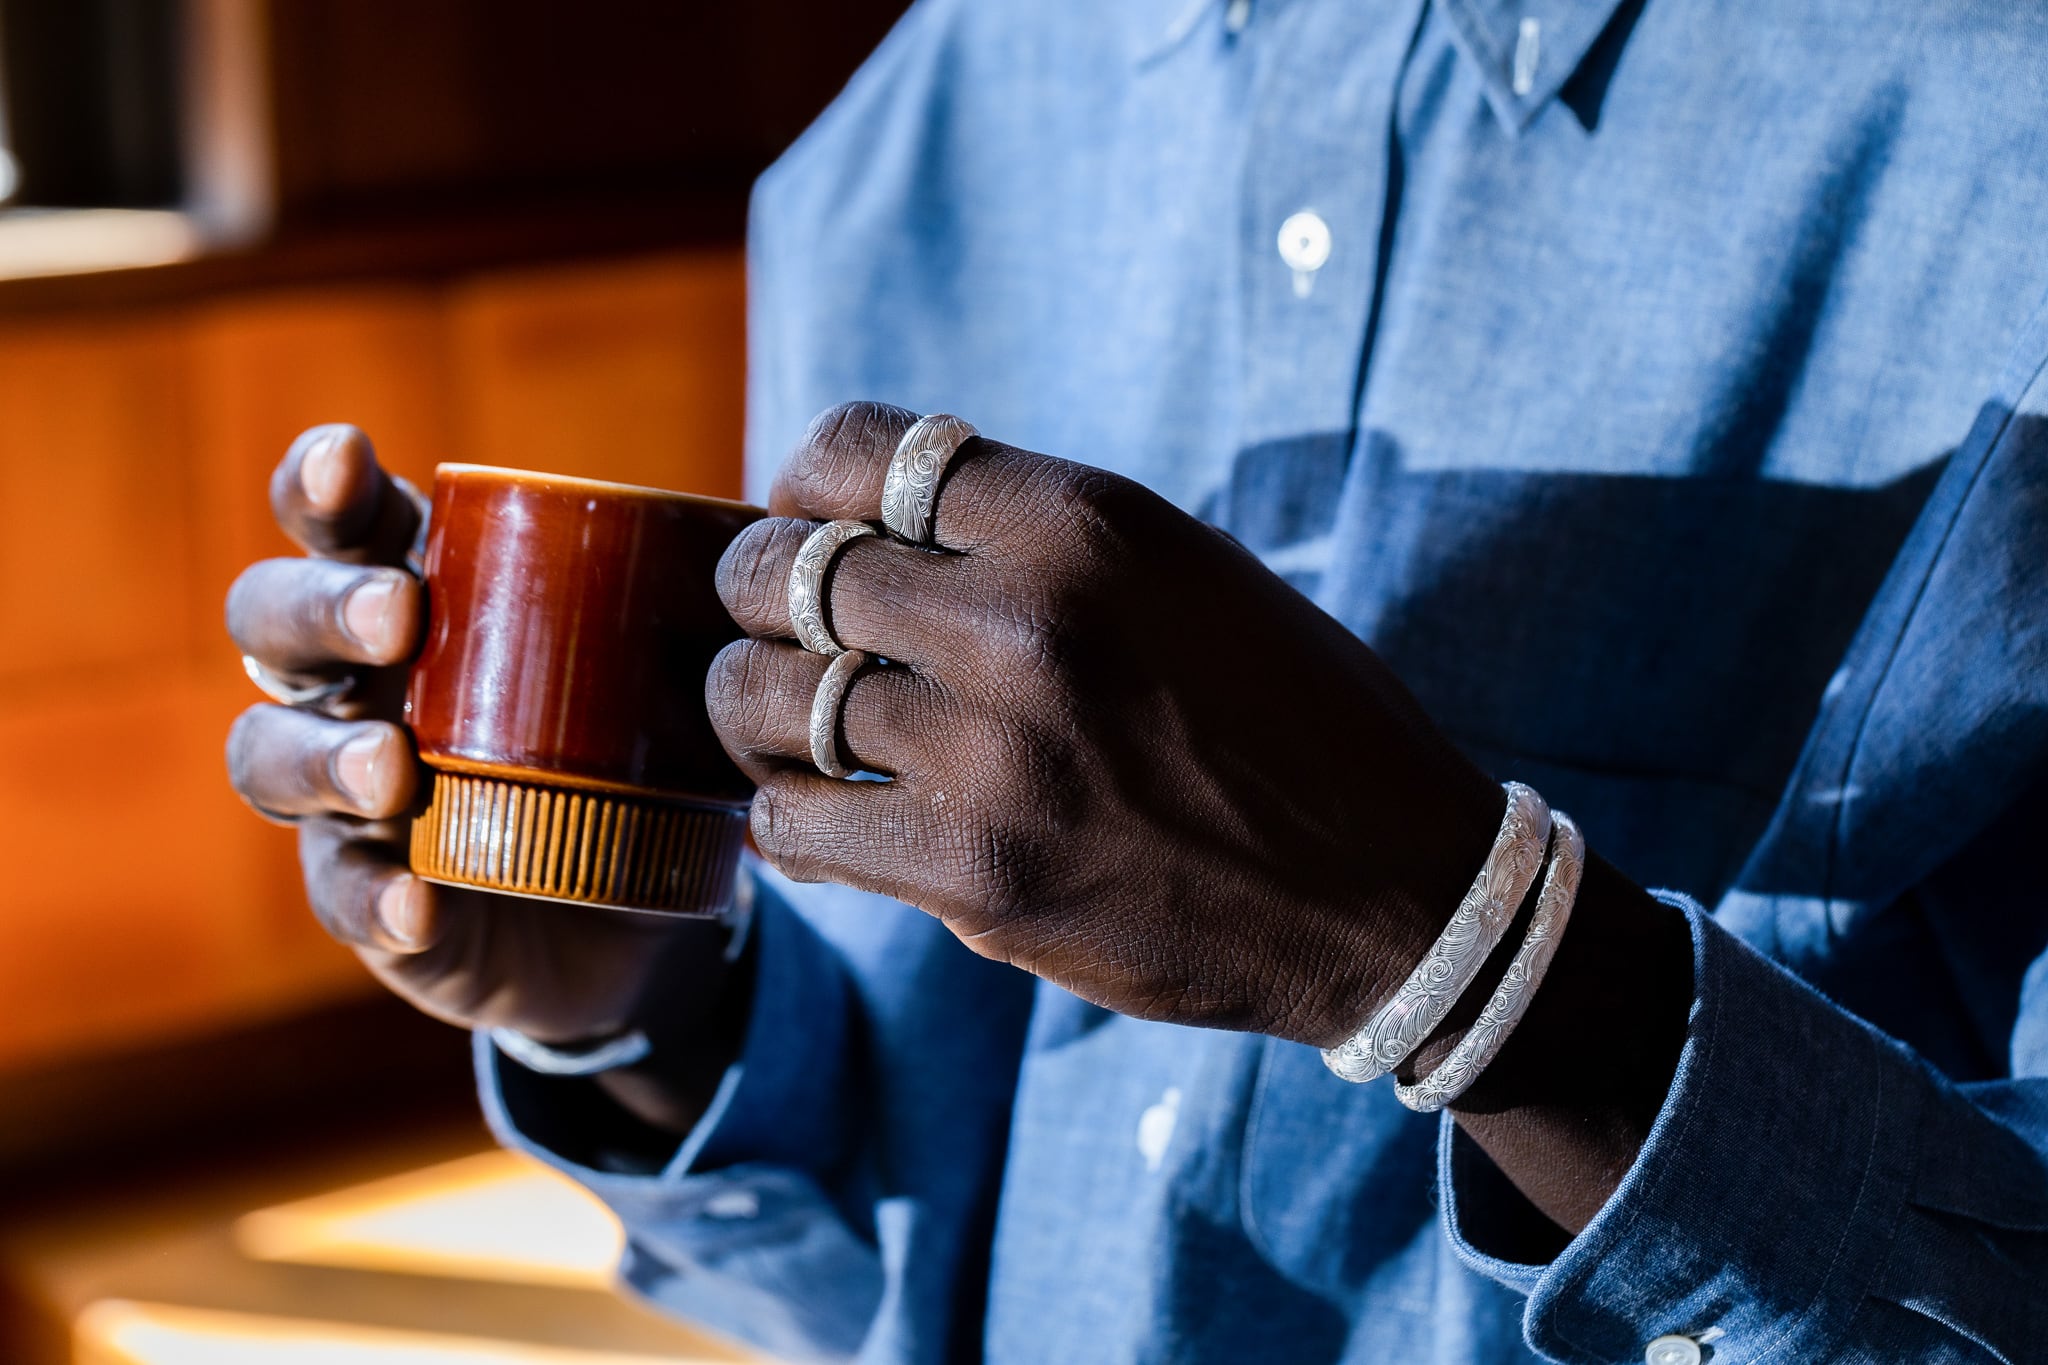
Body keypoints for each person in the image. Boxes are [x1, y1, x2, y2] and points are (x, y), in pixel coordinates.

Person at [223, 1, 2048, 1360]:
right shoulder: (904, 140)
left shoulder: (2001, 120)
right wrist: (640, 1023)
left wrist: (1466, 957)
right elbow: (899, 1278)